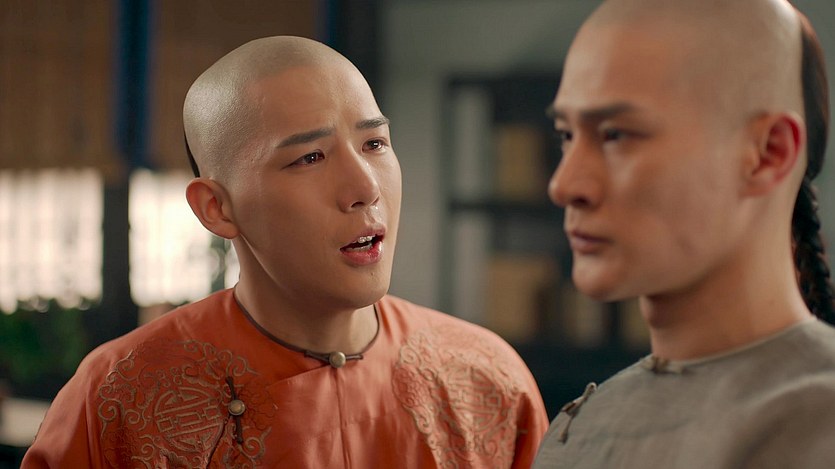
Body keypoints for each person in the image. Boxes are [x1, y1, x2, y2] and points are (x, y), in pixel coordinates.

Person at [23, 36, 548, 468]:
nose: (365, 188)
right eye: (310, 157)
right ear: (216, 208)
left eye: (375, 144)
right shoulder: (120, 398)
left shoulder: (486, 378)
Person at [533, 0, 835, 467]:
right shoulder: (582, 425)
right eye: (567, 135)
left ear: (767, 153)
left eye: (615, 135)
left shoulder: (817, 421)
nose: (564, 185)